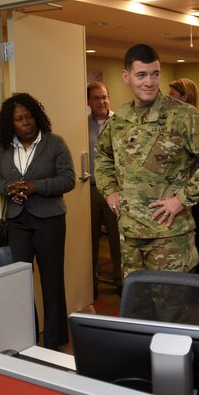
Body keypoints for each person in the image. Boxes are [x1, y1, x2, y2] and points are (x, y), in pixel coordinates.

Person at [94, 44, 199, 277]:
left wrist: (182, 199)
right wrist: (110, 190)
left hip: (169, 237)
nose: (149, 82)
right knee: (136, 307)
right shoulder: (119, 120)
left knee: (171, 310)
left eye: (155, 74)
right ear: (126, 77)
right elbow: (103, 156)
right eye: (141, 75)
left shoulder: (183, 116)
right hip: (130, 235)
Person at [0, 93, 75, 348]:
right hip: (17, 221)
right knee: (20, 281)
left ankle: (55, 340)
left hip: (49, 220)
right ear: (11, 123)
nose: (26, 122)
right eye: (19, 119)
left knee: (52, 281)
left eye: (29, 116)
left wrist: (34, 186)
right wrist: (9, 187)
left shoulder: (55, 144)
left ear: (37, 117)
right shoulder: (8, 148)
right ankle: (27, 337)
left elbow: (68, 179)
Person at [167, 78, 199, 277]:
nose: (168, 99)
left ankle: (198, 285)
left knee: (197, 239)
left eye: (172, 95)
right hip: (174, 192)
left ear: (184, 96)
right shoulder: (169, 121)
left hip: (195, 192)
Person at [87, 81, 121, 296]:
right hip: (88, 190)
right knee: (89, 240)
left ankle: (121, 283)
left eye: (104, 97)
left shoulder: (120, 122)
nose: (101, 101)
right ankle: (91, 285)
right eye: (96, 98)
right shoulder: (81, 124)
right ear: (88, 101)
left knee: (117, 239)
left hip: (115, 190)